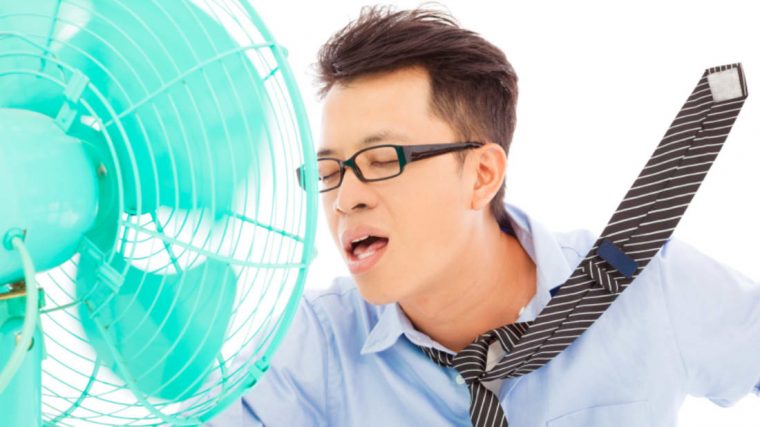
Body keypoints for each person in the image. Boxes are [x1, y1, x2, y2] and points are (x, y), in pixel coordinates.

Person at [209, 6, 760, 426]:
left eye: (382, 160)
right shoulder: (310, 348)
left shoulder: (649, 286)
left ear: (481, 175)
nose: (346, 197)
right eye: (329, 170)